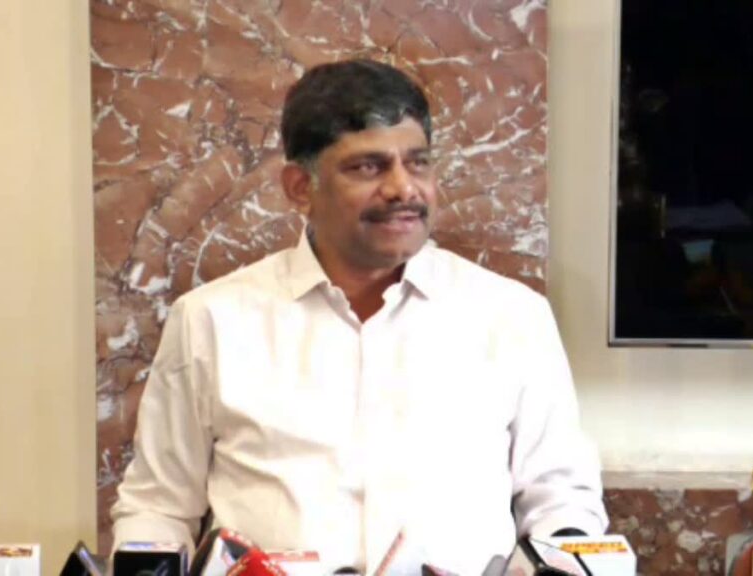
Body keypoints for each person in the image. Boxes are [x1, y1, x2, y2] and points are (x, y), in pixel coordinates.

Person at [111, 58, 608, 574]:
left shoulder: (512, 316)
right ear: (300, 187)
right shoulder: (211, 320)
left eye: (417, 163)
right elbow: (158, 507)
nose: (403, 189)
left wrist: (564, 556)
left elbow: (561, 501)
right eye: (368, 167)